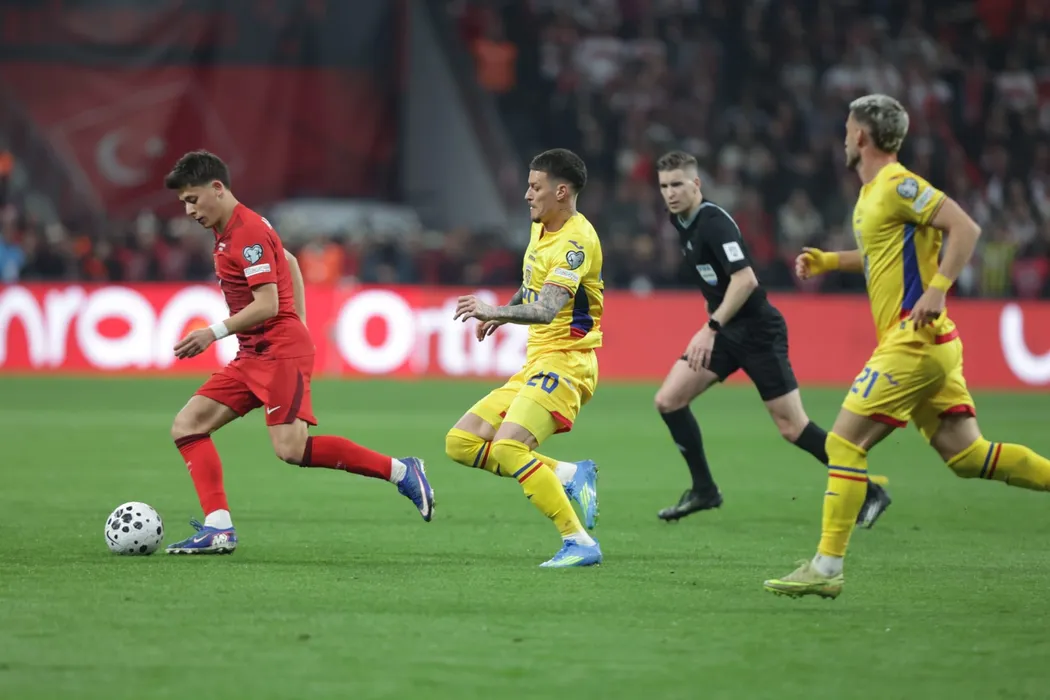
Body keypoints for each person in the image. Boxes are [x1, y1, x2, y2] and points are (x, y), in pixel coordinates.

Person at [764, 94, 1050, 599]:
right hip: (930, 344)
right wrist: (830, 261)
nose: (843, 137)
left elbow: (965, 228)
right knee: (967, 455)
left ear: (860, 136)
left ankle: (826, 567)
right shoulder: (873, 195)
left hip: (912, 339)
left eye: (847, 129)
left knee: (843, 443)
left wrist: (937, 289)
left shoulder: (898, 184)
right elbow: (880, 254)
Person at [163, 150, 434, 554]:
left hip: (278, 354)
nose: (188, 211)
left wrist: (214, 333)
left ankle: (400, 470)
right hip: (254, 352)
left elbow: (267, 303)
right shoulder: (236, 227)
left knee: (291, 449)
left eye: (192, 199)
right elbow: (288, 259)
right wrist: (301, 320)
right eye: (184, 202)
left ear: (217, 188)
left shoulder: (246, 233)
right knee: (188, 426)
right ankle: (218, 528)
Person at [653, 150, 892, 526]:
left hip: (758, 332)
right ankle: (704, 490)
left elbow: (745, 279)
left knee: (792, 427)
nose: (670, 193)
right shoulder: (679, 221)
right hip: (726, 331)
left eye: (677, 185)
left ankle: (868, 490)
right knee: (668, 400)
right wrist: (714, 324)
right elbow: (714, 280)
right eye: (664, 186)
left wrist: (709, 328)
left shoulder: (714, 223)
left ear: (696, 184)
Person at [447, 148, 603, 568]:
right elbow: (533, 285)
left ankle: (579, 541)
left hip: (568, 362)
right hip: (538, 362)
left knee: (509, 447)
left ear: (561, 191)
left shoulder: (575, 242)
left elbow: (549, 308)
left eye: (535, 187)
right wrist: (504, 313)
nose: (527, 195)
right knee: (461, 442)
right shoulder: (541, 227)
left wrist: (494, 309)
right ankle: (568, 475)